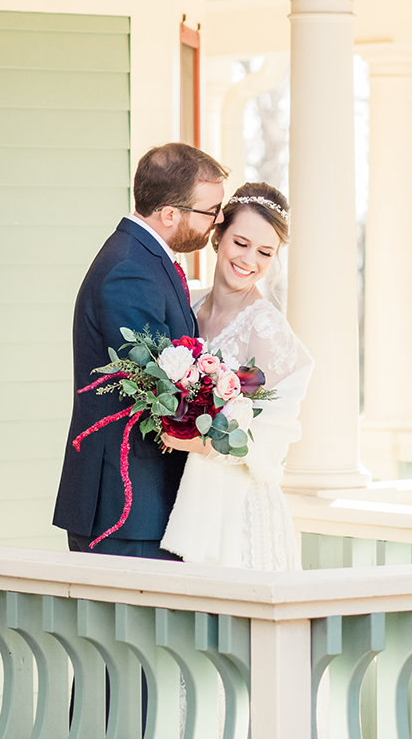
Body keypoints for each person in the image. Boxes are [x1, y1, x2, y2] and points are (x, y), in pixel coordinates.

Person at [53, 143, 227, 558]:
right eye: (211, 211)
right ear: (170, 214)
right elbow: (161, 386)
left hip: (145, 503)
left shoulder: (144, 259)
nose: (218, 222)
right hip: (127, 506)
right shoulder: (130, 270)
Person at [160, 182, 311, 570]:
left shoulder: (266, 329)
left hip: (237, 512)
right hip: (177, 495)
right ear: (218, 235)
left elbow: (263, 437)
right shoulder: (187, 304)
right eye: (241, 242)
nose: (249, 260)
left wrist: (190, 442)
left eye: (265, 252)